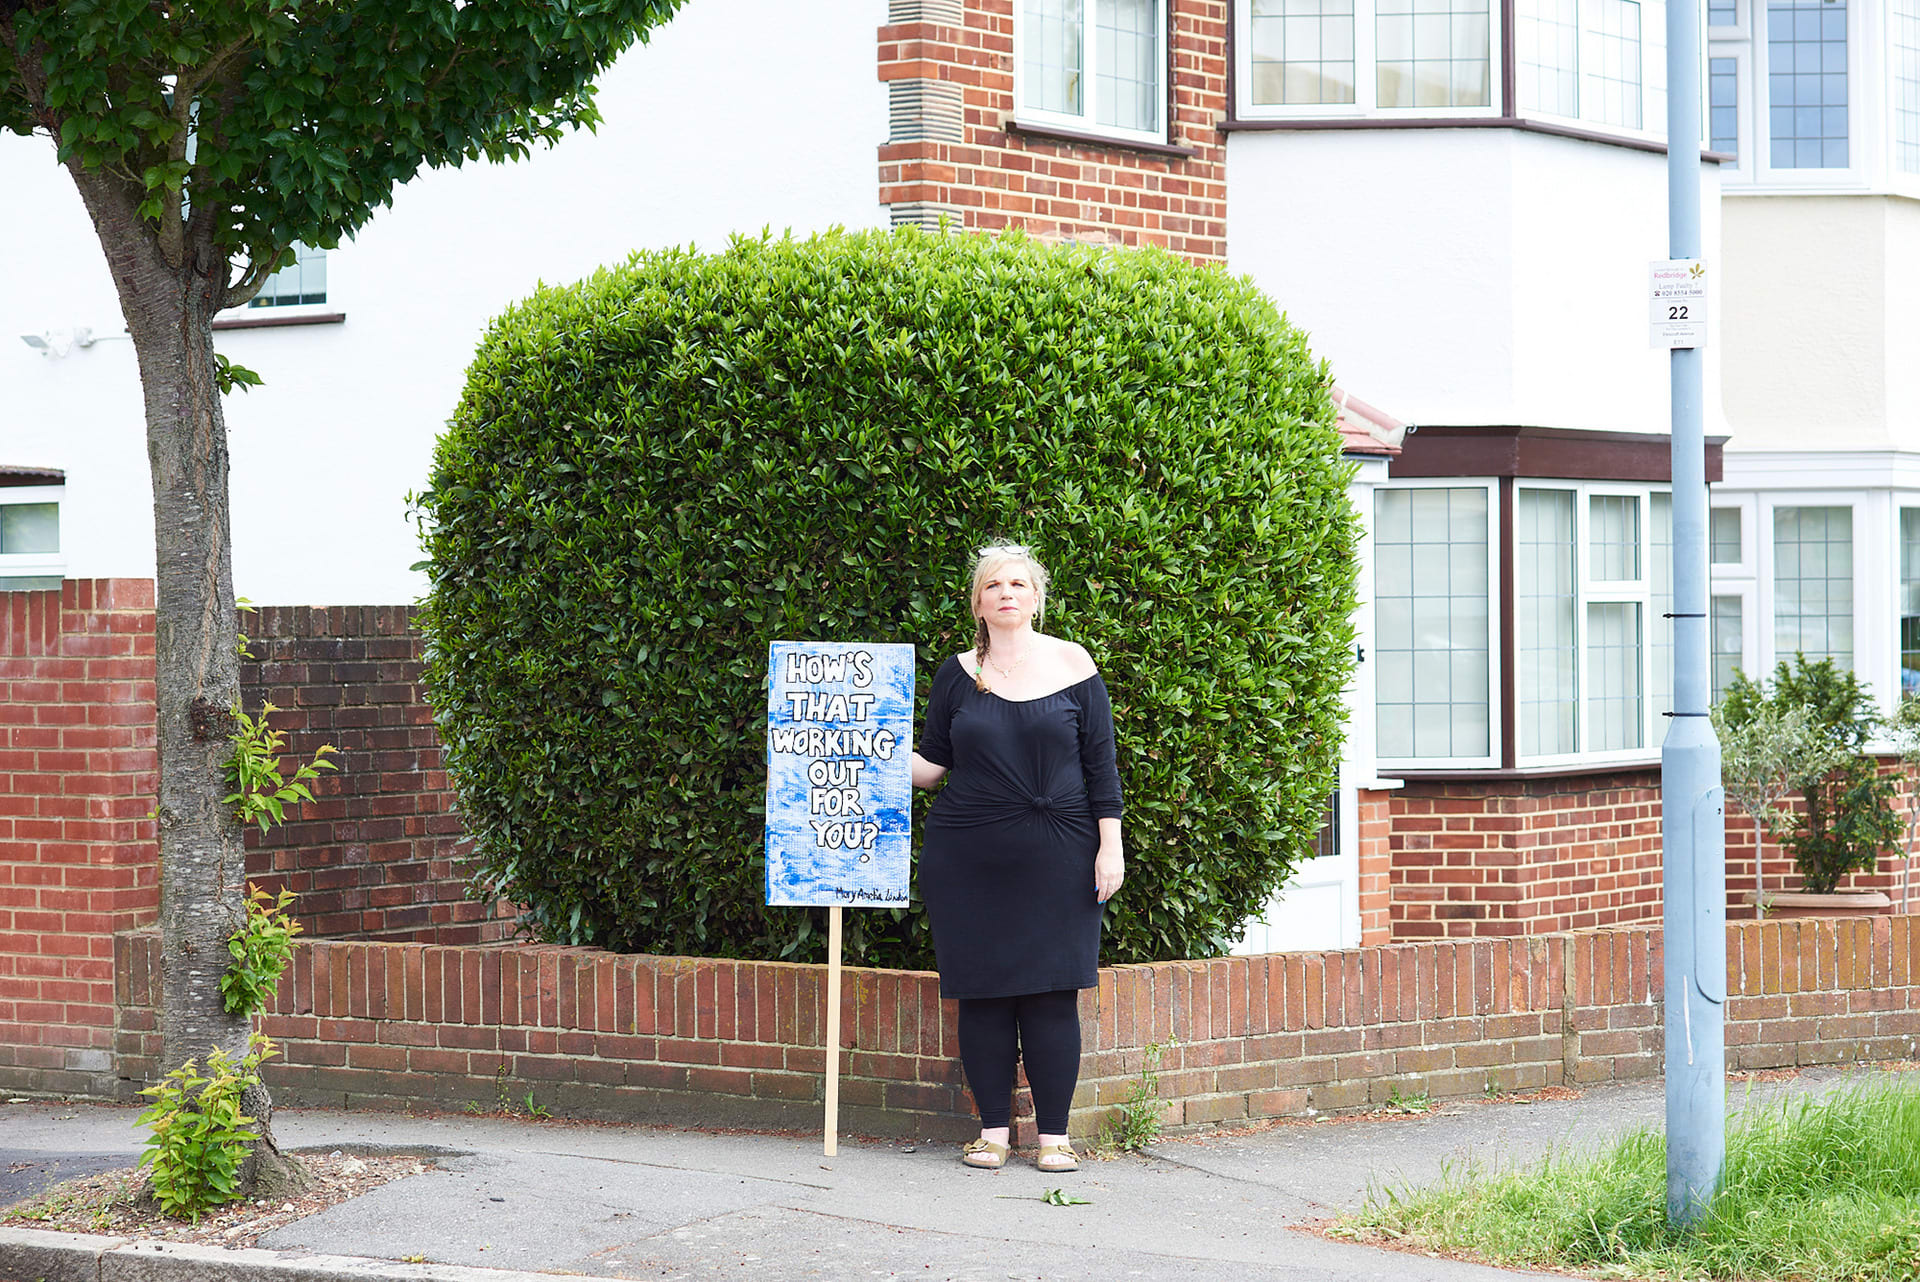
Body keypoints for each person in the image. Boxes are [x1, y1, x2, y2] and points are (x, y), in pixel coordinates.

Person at [911, 543, 1124, 1172]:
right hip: (968, 855)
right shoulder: (956, 673)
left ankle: (1054, 1137)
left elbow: (1101, 768)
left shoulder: (1073, 663)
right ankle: (993, 1134)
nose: (1006, 592)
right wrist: (855, 751)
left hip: (1061, 852)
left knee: (1054, 994)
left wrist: (1110, 847)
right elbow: (930, 768)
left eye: (1018, 584)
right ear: (977, 602)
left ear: (1036, 597)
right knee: (982, 994)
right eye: (993, 585)